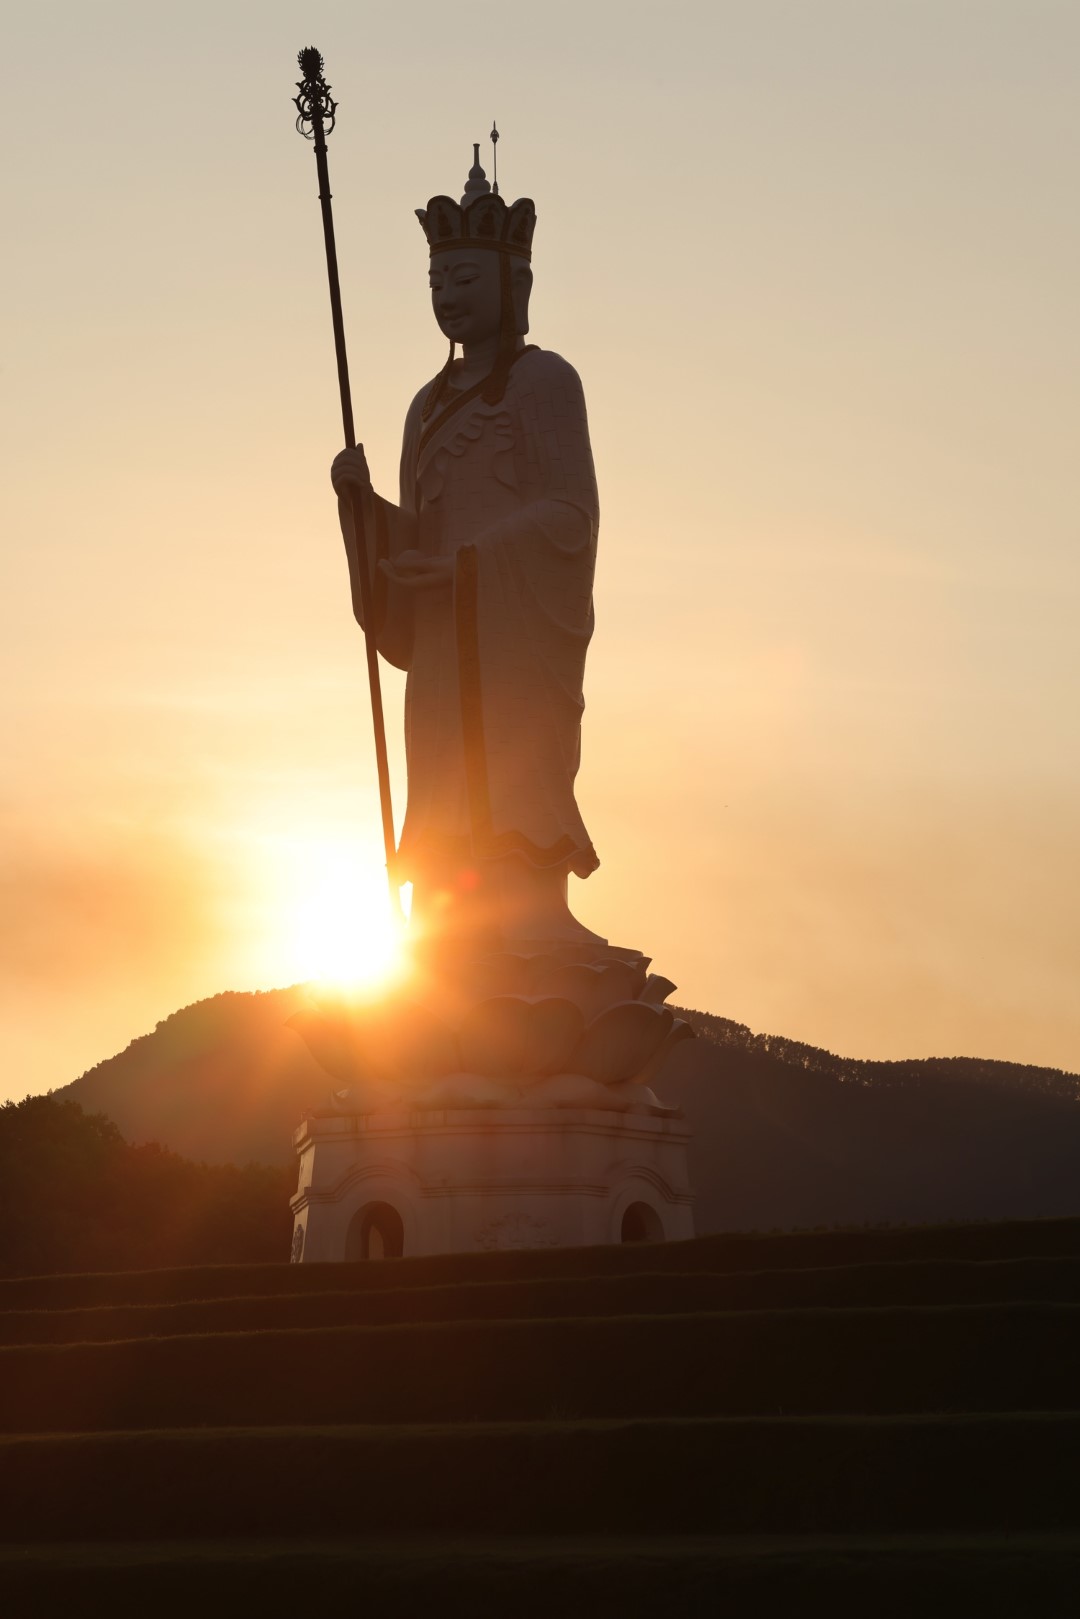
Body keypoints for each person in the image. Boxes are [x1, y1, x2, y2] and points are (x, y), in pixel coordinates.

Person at [331, 148, 604, 952]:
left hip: (512, 629)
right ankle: (446, 916)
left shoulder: (545, 383)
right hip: (444, 639)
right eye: (437, 282)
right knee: (444, 772)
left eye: (465, 279)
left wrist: (471, 566)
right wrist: (365, 513)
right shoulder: (425, 406)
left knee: (511, 762)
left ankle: (525, 910)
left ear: (515, 284)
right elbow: (418, 535)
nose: (449, 296)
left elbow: (569, 517)